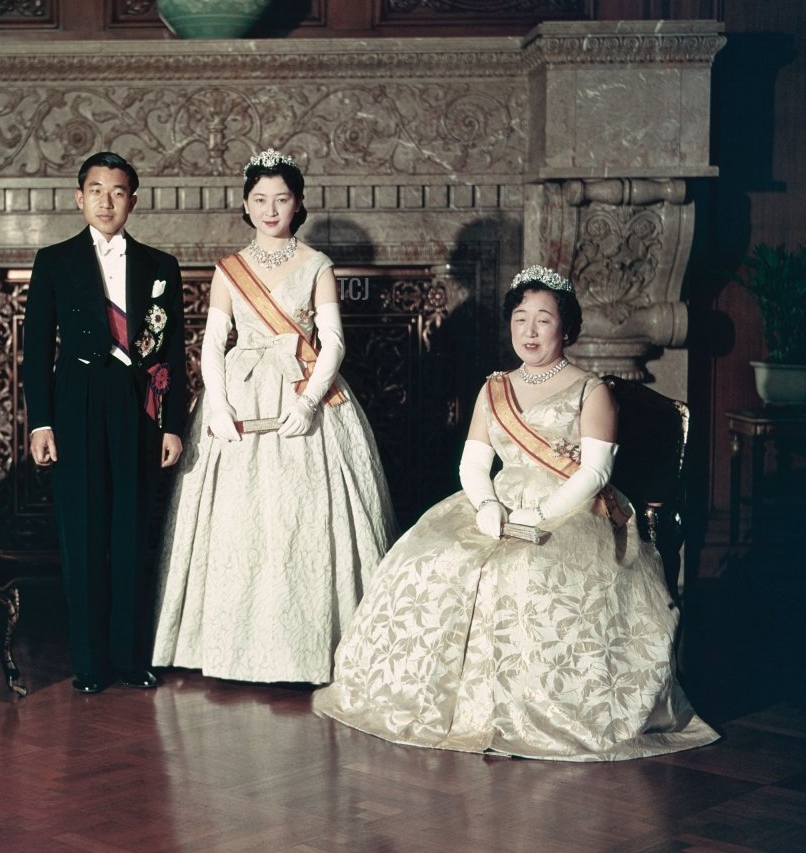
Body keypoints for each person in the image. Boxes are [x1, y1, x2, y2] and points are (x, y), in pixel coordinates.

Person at [313, 265, 719, 760]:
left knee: (526, 571)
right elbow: (474, 462)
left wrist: (541, 514)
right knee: (428, 559)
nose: (529, 331)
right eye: (520, 318)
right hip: (497, 501)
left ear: (566, 328)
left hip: (572, 509)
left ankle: (519, 711)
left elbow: (593, 473)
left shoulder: (592, 391)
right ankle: (427, 701)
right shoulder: (495, 387)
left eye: (543, 320)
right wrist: (485, 503)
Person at [151, 148, 396, 685]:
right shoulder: (228, 269)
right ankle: (228, 650)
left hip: (301, 387)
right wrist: (216, 404)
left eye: (280, 199)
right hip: (240, 394)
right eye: (259, 199)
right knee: (238, 524)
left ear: (298, 203)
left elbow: (331, 342)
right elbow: (213, 343)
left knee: (301, 522)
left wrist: (310, 400)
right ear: (245, 204)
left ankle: (307, 650)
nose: (270, 209)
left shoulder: (316, 265)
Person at [24, 150, 187, 694]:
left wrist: (172, 424)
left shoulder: (160, 266)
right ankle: (90, 662)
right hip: (76, 405)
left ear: (133, 201)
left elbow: (175, 352)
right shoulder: (54, 260)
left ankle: (129, 656)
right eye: (96, 190)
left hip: (139, 407)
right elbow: (35, 351)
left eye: (118, 192)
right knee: (84, 534)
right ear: (79, 198)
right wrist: (40, 423)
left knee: (130, 531)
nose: (106, 201)